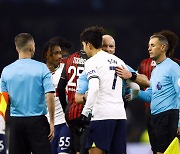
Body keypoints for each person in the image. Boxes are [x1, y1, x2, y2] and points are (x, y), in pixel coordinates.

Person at [79, 26, 141, 154]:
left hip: (101, 115)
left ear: (89, 45)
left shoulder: (92, 62)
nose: (83, 49)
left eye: (83, 45)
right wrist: (132, 97)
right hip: (120, 116)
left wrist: (85, 113)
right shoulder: (119, 61)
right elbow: (136, 87)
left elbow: (94, 88)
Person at [0, 33, 55, 154]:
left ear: (16, 48)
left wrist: (3, 122)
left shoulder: (6, 71)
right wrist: (52, 121)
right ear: (31, 47)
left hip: (16, 123)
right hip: (38, 122)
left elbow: (3, 101)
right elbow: (50, 95)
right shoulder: (42, 68)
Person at [137, 30, 180, 154]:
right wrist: (135, 92)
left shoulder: (174, 67)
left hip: (168, 116)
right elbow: (150, 96)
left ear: (163, 47)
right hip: (156, 117)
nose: (149, 49)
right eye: (149, 46)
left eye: (152, 45)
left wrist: (179, 122)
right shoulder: (156, 70)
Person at [75, 34, 149, 104]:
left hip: (118, 112)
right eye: (104, 46)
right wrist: (85, 97)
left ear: (114, 49)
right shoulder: (91, 67)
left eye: (111, 46)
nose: (108, 49)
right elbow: (78, 97)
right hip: (98, 113)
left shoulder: (121, 66)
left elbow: (146, 82)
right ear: (99, 48)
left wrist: (131, 75)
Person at [57, 39, 88, 154]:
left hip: (71, 114)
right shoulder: (94, 60)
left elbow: (60, 88)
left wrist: (66, 108)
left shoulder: (70, 59)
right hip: (88, 115)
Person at [43, 39, 72, 154]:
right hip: (48, 124)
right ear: (47, 54)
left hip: (65, 122)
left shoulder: (66, 67)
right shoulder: (40, 72)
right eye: (56, 53)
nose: (60, 56)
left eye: (60, 53)